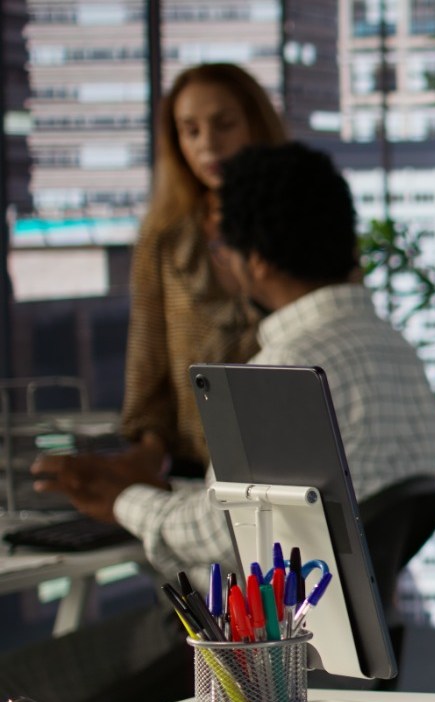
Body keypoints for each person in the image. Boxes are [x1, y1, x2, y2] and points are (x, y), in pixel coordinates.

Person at [12, 141, 435, 702]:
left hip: (240, 657)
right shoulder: (397, 350)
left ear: (255, 260)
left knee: (12, 685)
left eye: (222, 248)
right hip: (321, 658)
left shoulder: (284, 372)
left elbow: (219, 541)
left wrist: (119, 499)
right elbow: (283, 508)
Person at [122, 63, 286, 479]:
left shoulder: (305, 225)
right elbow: (148, 367)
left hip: (295, 461)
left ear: (256, 125)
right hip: (196, 472)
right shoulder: (164, 237)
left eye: (224, 124)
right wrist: (145, 457)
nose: (208, 144)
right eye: (190, 130)